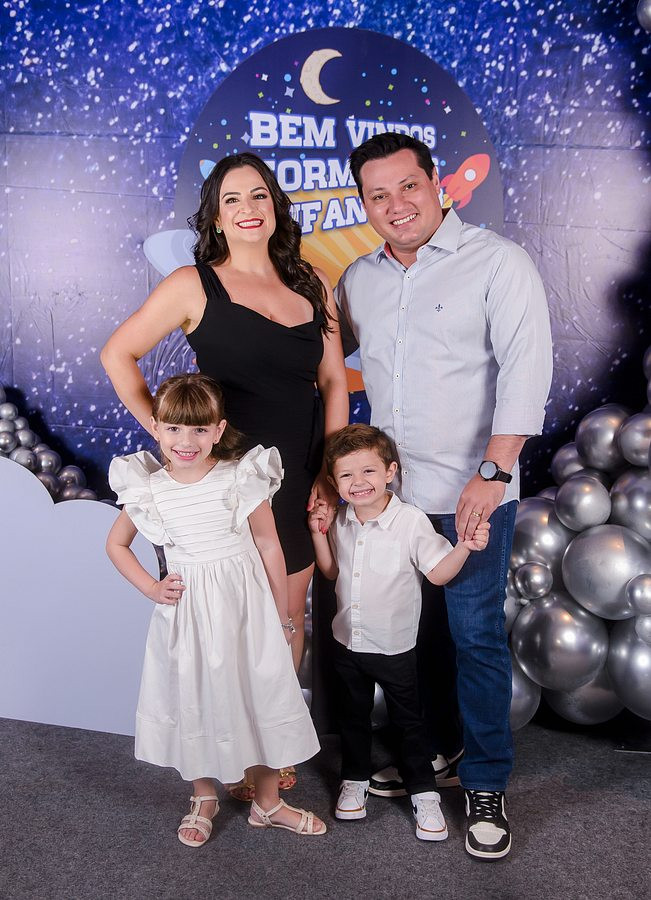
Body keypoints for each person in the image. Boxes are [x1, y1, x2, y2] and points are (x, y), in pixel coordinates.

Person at [101, 151, 349, 796]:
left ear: (275, 207)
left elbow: (332, 382)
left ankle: (271, 750)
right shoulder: (192, 285)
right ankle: (223, 754)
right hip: (221, 485)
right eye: (232, 199)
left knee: (285, 618)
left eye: (259, 195)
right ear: (215, 215)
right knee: (223, 628)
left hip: (296, 475)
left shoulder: (312, 284)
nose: (247, 209)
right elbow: (117, 353)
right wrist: (168, 434)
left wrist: (328, 471)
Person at [336, 133, 553, 859]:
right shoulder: (358, 280)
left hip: (472, 490)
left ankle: (486, 782)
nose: (395, 204)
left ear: (437, 183)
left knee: (475, 637)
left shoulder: (498, 262)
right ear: (363, 204)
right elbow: (322, 364)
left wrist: (492, 475)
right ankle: (435, 750)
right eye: (377, 194)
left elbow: (526, 370)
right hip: (390, 498)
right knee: (416, 637)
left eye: (408, 185)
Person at [106, 373, 327, 847]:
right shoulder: (151, 488)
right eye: (173, 428)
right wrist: (152, 587)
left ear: (219, 429)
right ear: (156, 427)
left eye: (199, 429)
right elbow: (116, 545)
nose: (186, 441)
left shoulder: (239, 477)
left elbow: (268, 545)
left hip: (246, 608)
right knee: (196, 696)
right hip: (191, 615)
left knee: (260, 693)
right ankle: (203, 795)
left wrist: (281, 614)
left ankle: (268, 802)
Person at [308, 424, 489, 842]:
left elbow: (438, 574)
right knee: (353, 718)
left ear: (390, 471)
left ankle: (424, 791)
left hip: (394, 647)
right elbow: (331, 571)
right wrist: (319, 535)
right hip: (347, 641)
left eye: (368, 471)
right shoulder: (341, 519)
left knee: (409, 723)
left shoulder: (410, 521)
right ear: (334, 481)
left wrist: (465, 546)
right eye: (347, 475)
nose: (358, 483)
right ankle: (354, 779)